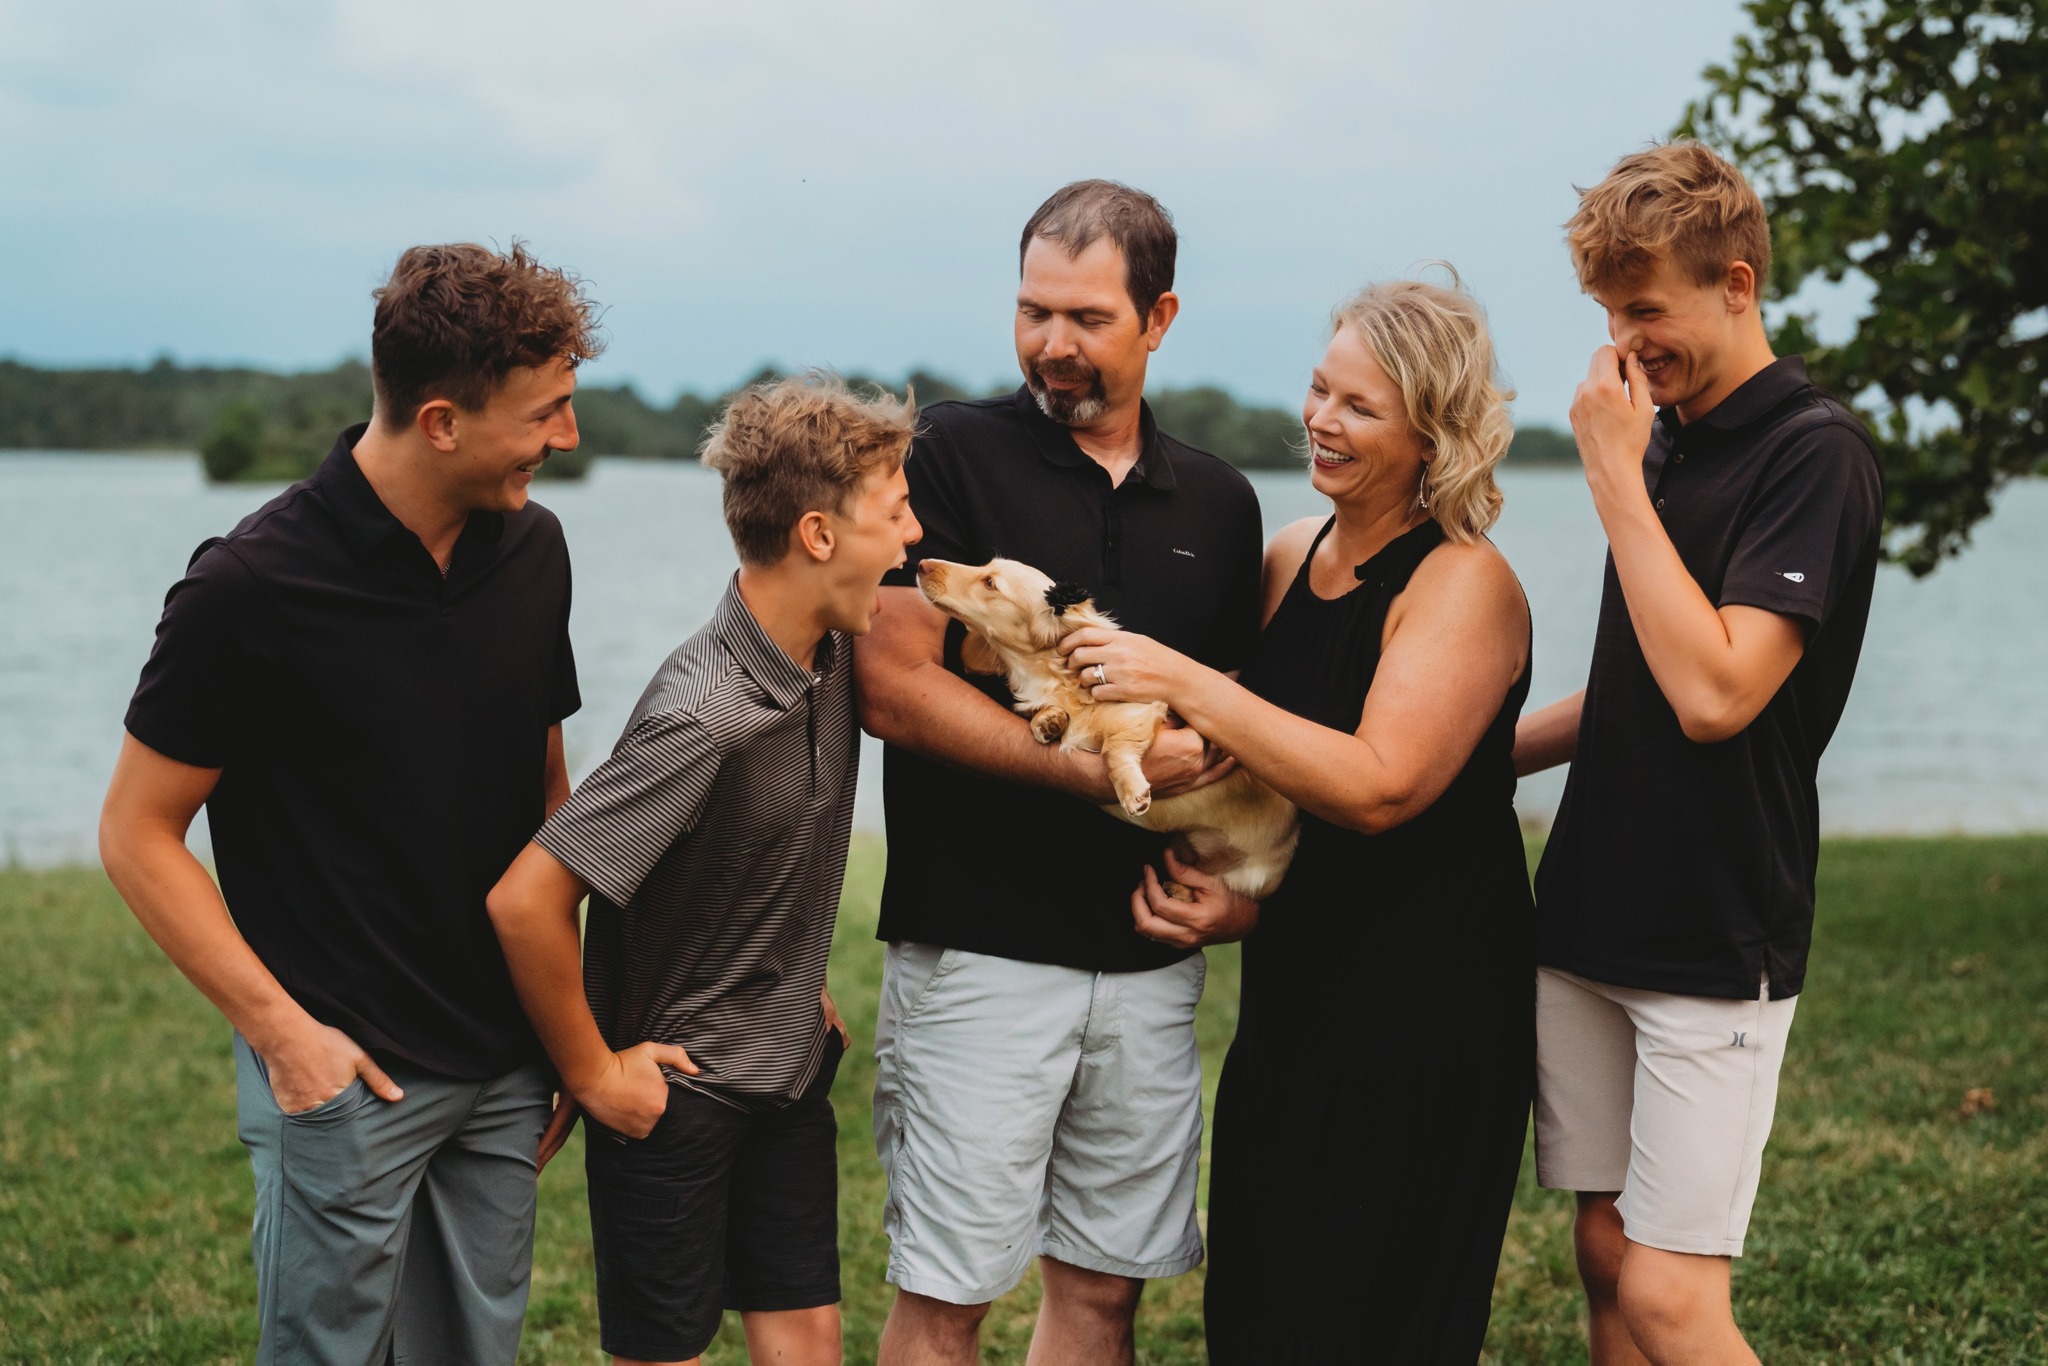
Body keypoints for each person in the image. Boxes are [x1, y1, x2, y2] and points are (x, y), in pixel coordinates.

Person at [98, 242, 597, 1364]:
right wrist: (284, 1037)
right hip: (344, 1075)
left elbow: (544, 791)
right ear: (439, 421)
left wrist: (566, 1028)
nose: (566, 440)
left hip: (503, 1067)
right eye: (546, 414)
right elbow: (135, 832)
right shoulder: (248, 585)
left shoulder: (535, 551)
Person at [1062, 273, 1537, 1362]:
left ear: (1432, 433)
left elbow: (1378, 785)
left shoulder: (1463, 583)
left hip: (1430, 1009)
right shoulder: (1289, 556)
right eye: (1320, 390)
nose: (1320, 420)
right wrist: (1246, 907)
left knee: (1377, 1313)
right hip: (1299, 992)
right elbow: (1275, 781)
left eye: (1359, 407)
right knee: (1268, 1304)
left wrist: (1186, 673)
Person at [854, 179, 1264, 1366]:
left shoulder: (1222, 504)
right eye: (1033, 311)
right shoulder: (944, 454)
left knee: (1100, 1295)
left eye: (1086, 317)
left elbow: (1232, 722)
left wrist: (1236, 887)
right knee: (946, 1301)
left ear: (1159, 317)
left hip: (1146, 965)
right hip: (978, 955)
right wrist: (1097, 776)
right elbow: (891, 684)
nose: (1051, 344)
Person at [1513, 142, 1884, 1365]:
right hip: (1588, 913)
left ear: (1734, 283)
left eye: (1644, 310)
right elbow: (1643, 677)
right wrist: (1483, 751)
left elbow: (1719, 690)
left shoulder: (1809, 452)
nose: (1623, 341)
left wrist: (1614, 482)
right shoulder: (1665, 434)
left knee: (1674, 1299)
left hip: (1714, 933)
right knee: (1607, 1259)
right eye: (1609, 313)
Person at [486, 375, 922, 1366]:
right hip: (676, 1096)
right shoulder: (703, 714)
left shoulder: (831, 652)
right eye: (894, 513)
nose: (912, 536)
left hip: (787, 1073)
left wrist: (785, 977)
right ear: (817, 535)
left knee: (809, 1344)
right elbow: (527, 901)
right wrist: (594, 1072)